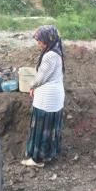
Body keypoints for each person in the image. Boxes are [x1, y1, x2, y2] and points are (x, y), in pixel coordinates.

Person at [21, 25, 65, 168]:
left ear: (47, 40)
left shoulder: (50, 56)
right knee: (50, 128)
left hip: (47, 99)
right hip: (55, 98)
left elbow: (41, 77)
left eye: (40, 41)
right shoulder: (56, 50)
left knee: (41, 128)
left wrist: (31, 86)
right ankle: (47, 155)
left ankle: (37, 159)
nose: (38, 43)